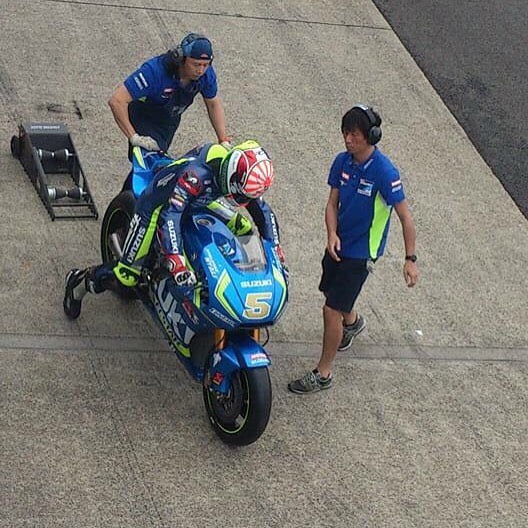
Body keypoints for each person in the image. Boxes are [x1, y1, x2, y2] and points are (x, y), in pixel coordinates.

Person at [63, 140, 284, 319]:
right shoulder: (197, 174)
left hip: (200, 200)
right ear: (232, 174)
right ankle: (80, 281)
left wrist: (275, 250)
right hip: (160, 205)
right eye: (240, 195)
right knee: (127, 276)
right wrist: (176, 259)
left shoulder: (244, 177)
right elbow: (172, 214)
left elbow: (262, 211)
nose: (242, 199)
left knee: (243, 227)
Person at [288, 104, 419, 394]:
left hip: (361, 252)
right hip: (339, 243)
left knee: (330, 309)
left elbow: (405, 217)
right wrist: (331, 233)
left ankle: (323, 373)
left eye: (355, 135)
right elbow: (332, 203)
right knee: (329, 290)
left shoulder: (385, 172)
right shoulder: (342, 162)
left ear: (371, 136)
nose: (348, 140)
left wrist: (410, 259)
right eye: (346, 133)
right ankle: (354, 322)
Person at [108, 32, 231, 166]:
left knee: (153, 165)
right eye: (195, 64)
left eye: (205, 65)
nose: (200, 71)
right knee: (152, 165)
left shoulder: (205, 75)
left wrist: (223, 139)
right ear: (181, 59)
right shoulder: (154, 71)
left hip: (168, 122)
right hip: (144, 117)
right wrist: (134, 137)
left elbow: (213, 103)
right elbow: (117, 101)